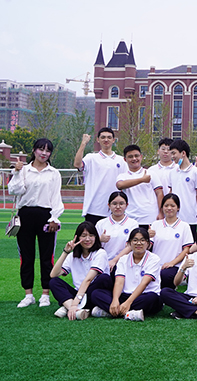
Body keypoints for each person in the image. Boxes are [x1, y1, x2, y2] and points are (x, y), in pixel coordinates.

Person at [8, 138, 64, 309]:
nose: (44, 153)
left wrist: (54, 218)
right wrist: (16, 172)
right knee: (26, 256)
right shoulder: (24, 170)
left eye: (47, 150)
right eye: (41, 149)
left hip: (46, 216)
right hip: (25, 215)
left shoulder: (53, 173)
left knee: (47, 257)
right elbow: (14, 190)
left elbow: (56, 197)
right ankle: (28, 294)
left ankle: (45, 294)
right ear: (34, 150)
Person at [88, 228, 164, 321]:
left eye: (142, 240)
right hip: (125, 296)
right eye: (135, 240)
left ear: (148, 244)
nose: (138, 243)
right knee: (96, 293)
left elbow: (144, 283)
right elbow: (119, 282)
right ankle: (129, 313)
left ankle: (112, 311)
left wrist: (128, 303)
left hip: (144, 295)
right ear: (129, 244)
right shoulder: (123, 259)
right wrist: (115, 300)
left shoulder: (154, 259)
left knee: (152, 298)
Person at [48, 222, 111, 320]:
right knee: (54, 282)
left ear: (95, 237)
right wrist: (66, 252)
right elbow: (53, 274)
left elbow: (88, 280)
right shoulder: (72, 256)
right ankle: (76, 310)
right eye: (84, 236)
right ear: (77, 238)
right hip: (79, 294)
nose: (87, 239)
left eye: (91, 235)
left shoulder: (100, 253)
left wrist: (74, 304)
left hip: (94, 293)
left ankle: (70, 307)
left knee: (103, 278)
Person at [74, 127, 126, 225]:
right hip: (94, 209)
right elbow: (77, 164)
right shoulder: (91, 158)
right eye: (103, 137)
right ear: (98, 140)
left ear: (113, 140)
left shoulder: (122, 161)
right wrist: (83, 143)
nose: (106, 140)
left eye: (109, 137)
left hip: (115, 209)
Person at [148, 193, 194, 289]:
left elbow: (187, 249)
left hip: (175, 266)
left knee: (165, 276)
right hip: (156, 264)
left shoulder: (184, 226)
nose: (169, 208)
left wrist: (172, 263)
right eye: (166, 205)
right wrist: (147, 237)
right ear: (162, 207)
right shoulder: (155, 224)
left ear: (178, 208)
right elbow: (148, 247)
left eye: (172, 206)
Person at [116, 144, 164, 229]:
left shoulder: (150, 173)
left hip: (150, 217)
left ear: (141, 157)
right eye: (130, 157)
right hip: (130, 218)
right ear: (125, 159)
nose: (134, 159)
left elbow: (159, 193)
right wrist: (142, 180)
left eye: (136, 156)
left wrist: (161, 212)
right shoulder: (122, 176)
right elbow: (120, 185)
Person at [95, 191, 140, 272]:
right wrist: (100, 239)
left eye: (121, 204)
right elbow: (91, 244)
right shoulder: (101, 223)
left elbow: (130, 246)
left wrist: (114, 261)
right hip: (103, 262)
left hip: (125, 263)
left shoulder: (133, 224)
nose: (118, 207)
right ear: (109, 205)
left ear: (127, 205)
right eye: (114, 204)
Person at [168, 139, 197, 230]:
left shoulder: (196, 172)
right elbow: (171, 191)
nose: (172, 156)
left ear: (183, 153)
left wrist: (191, 206)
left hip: (189, 218)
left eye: (174, 153)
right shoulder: (172, 172)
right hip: (174, 217)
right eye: (171, 154)